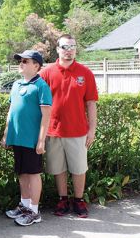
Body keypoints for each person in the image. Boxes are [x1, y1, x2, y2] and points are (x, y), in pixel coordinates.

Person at [40, 34, 98, 218]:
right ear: (57, 49)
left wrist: (92, 130)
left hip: (78, 131)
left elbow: (91, 104)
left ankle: (79, 200)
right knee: (59, 168)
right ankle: (62, 199)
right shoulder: (47, 73)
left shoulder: (85, 73)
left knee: (79, 168)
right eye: (65, 47)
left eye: (72, 46)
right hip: (54, 131)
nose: (69, 50)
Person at [1, 50, 52, 226]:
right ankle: (24, 205)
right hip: (17, 138)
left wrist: (41, 140)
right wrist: (6, 133)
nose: (20, 63)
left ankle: (34, 211)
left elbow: (46, 116)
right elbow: (11, 111)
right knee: (22, 173)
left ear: (36, 66)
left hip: (32, 140)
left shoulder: (41, 86)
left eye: (25, 61)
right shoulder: (16, 85)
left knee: (33, 174)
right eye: (20, 61)